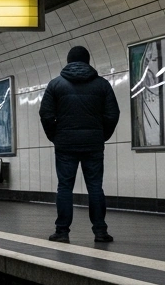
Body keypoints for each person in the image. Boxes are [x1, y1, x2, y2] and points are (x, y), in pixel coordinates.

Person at [39, 45, 120, 243]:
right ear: (88, 61)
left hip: (65, 145)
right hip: (93, 144)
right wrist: (101, 135)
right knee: (95, 187)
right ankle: (100, 231)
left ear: (68, 61)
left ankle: (62, 231)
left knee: (65, 187)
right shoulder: (102, 85)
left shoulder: (55, 85)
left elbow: (46, 114)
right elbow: (112, 114)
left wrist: (55, 136)